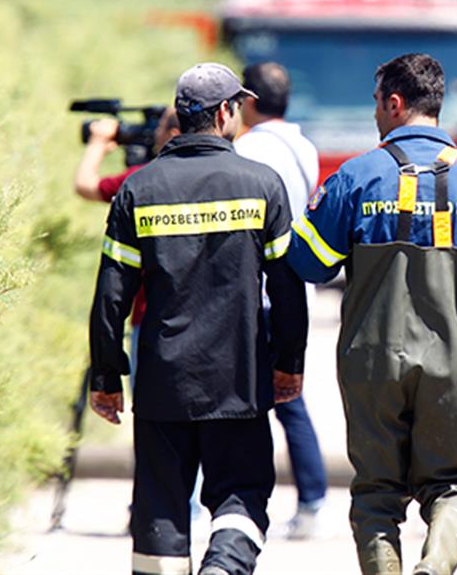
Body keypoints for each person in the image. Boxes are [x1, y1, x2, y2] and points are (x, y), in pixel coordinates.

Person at [285, 53, 457, 575]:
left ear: (396, 103)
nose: (375, 114)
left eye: (378, 103)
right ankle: (433, 569)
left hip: (372, 366)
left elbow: (308, 263)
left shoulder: (356, 176)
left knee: (377, 493)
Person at [88, 63, 309, 575]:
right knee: (241, 494)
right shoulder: (262, 184)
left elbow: (110, 296)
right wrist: (288, 361)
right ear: (227, 112)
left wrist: (106, 374)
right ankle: (223, 567)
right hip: (239, 380)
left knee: (160, 509)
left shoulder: (138, 190)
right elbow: (287, 287)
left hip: (165, 383)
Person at [234, 62, 329, 540]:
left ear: (248, 100)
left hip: (256, 292)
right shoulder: (303, 145)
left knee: (248, 404)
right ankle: (312, 500)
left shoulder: (247, 148)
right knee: (291, 399)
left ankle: (245, 503)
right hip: (295, 290)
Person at [75, 107, 180, 391]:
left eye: (157, 130)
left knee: (153, 414)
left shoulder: (140, 180)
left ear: (171, 134)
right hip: (209, 323)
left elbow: (85, 185)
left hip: (150, 321)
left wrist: (98, 142)